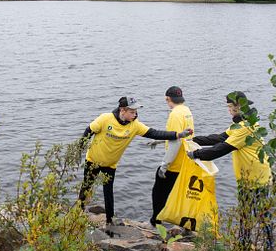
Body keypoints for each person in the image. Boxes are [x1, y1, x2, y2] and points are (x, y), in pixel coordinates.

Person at [79, 95, 193, 225]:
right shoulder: (105, 119)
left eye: (136, 112)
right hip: (93, 160)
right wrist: (79, 149)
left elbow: (154, 133)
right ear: (122, 110)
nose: (135, 114)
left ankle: (109, 221)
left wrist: (178, 134)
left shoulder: (135, 126)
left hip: (110, 164)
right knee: (87, 185)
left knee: (108, 191)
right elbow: (89, 130)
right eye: (132, 112)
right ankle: (79, 209)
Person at [187, 91, 273, 251]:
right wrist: (195, 140)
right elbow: (220, 138)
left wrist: (195, 154)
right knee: (245, 213)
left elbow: (221, 149)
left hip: (257, 178)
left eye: (229, 107)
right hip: (248, 177)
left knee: (261, 214)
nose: (228, 110)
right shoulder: (242, 123)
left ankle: (269, 249)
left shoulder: (245, 127)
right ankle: (244, 244)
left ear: (237, 107)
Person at [150, 86, 194, 226]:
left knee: (159, 193)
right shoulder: (186, 111)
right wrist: (160, 141)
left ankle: (156, 221)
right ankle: (183, 223)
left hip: (174, 164)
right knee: (180, 195)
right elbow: (182, 135)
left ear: (168, 99)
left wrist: (165, 165)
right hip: (185, 161)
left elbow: (175, 142)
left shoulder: (175, 114)